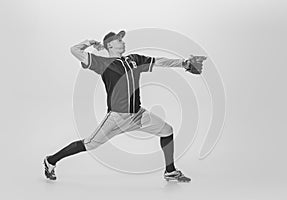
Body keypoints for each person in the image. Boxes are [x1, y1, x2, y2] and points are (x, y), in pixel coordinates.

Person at [43, 30, 201, 182]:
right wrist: (90, 42)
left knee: (167, 131)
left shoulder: (134, 59)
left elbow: (159, 61)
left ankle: (170, 171)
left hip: (138, 115)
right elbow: (74, 50)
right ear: (109, 45)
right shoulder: (102, 63)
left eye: (122, 39)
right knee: (89, 144)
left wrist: (184, 63)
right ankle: (51, 161)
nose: (122, 41)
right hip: (117, 118)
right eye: (119, 39)